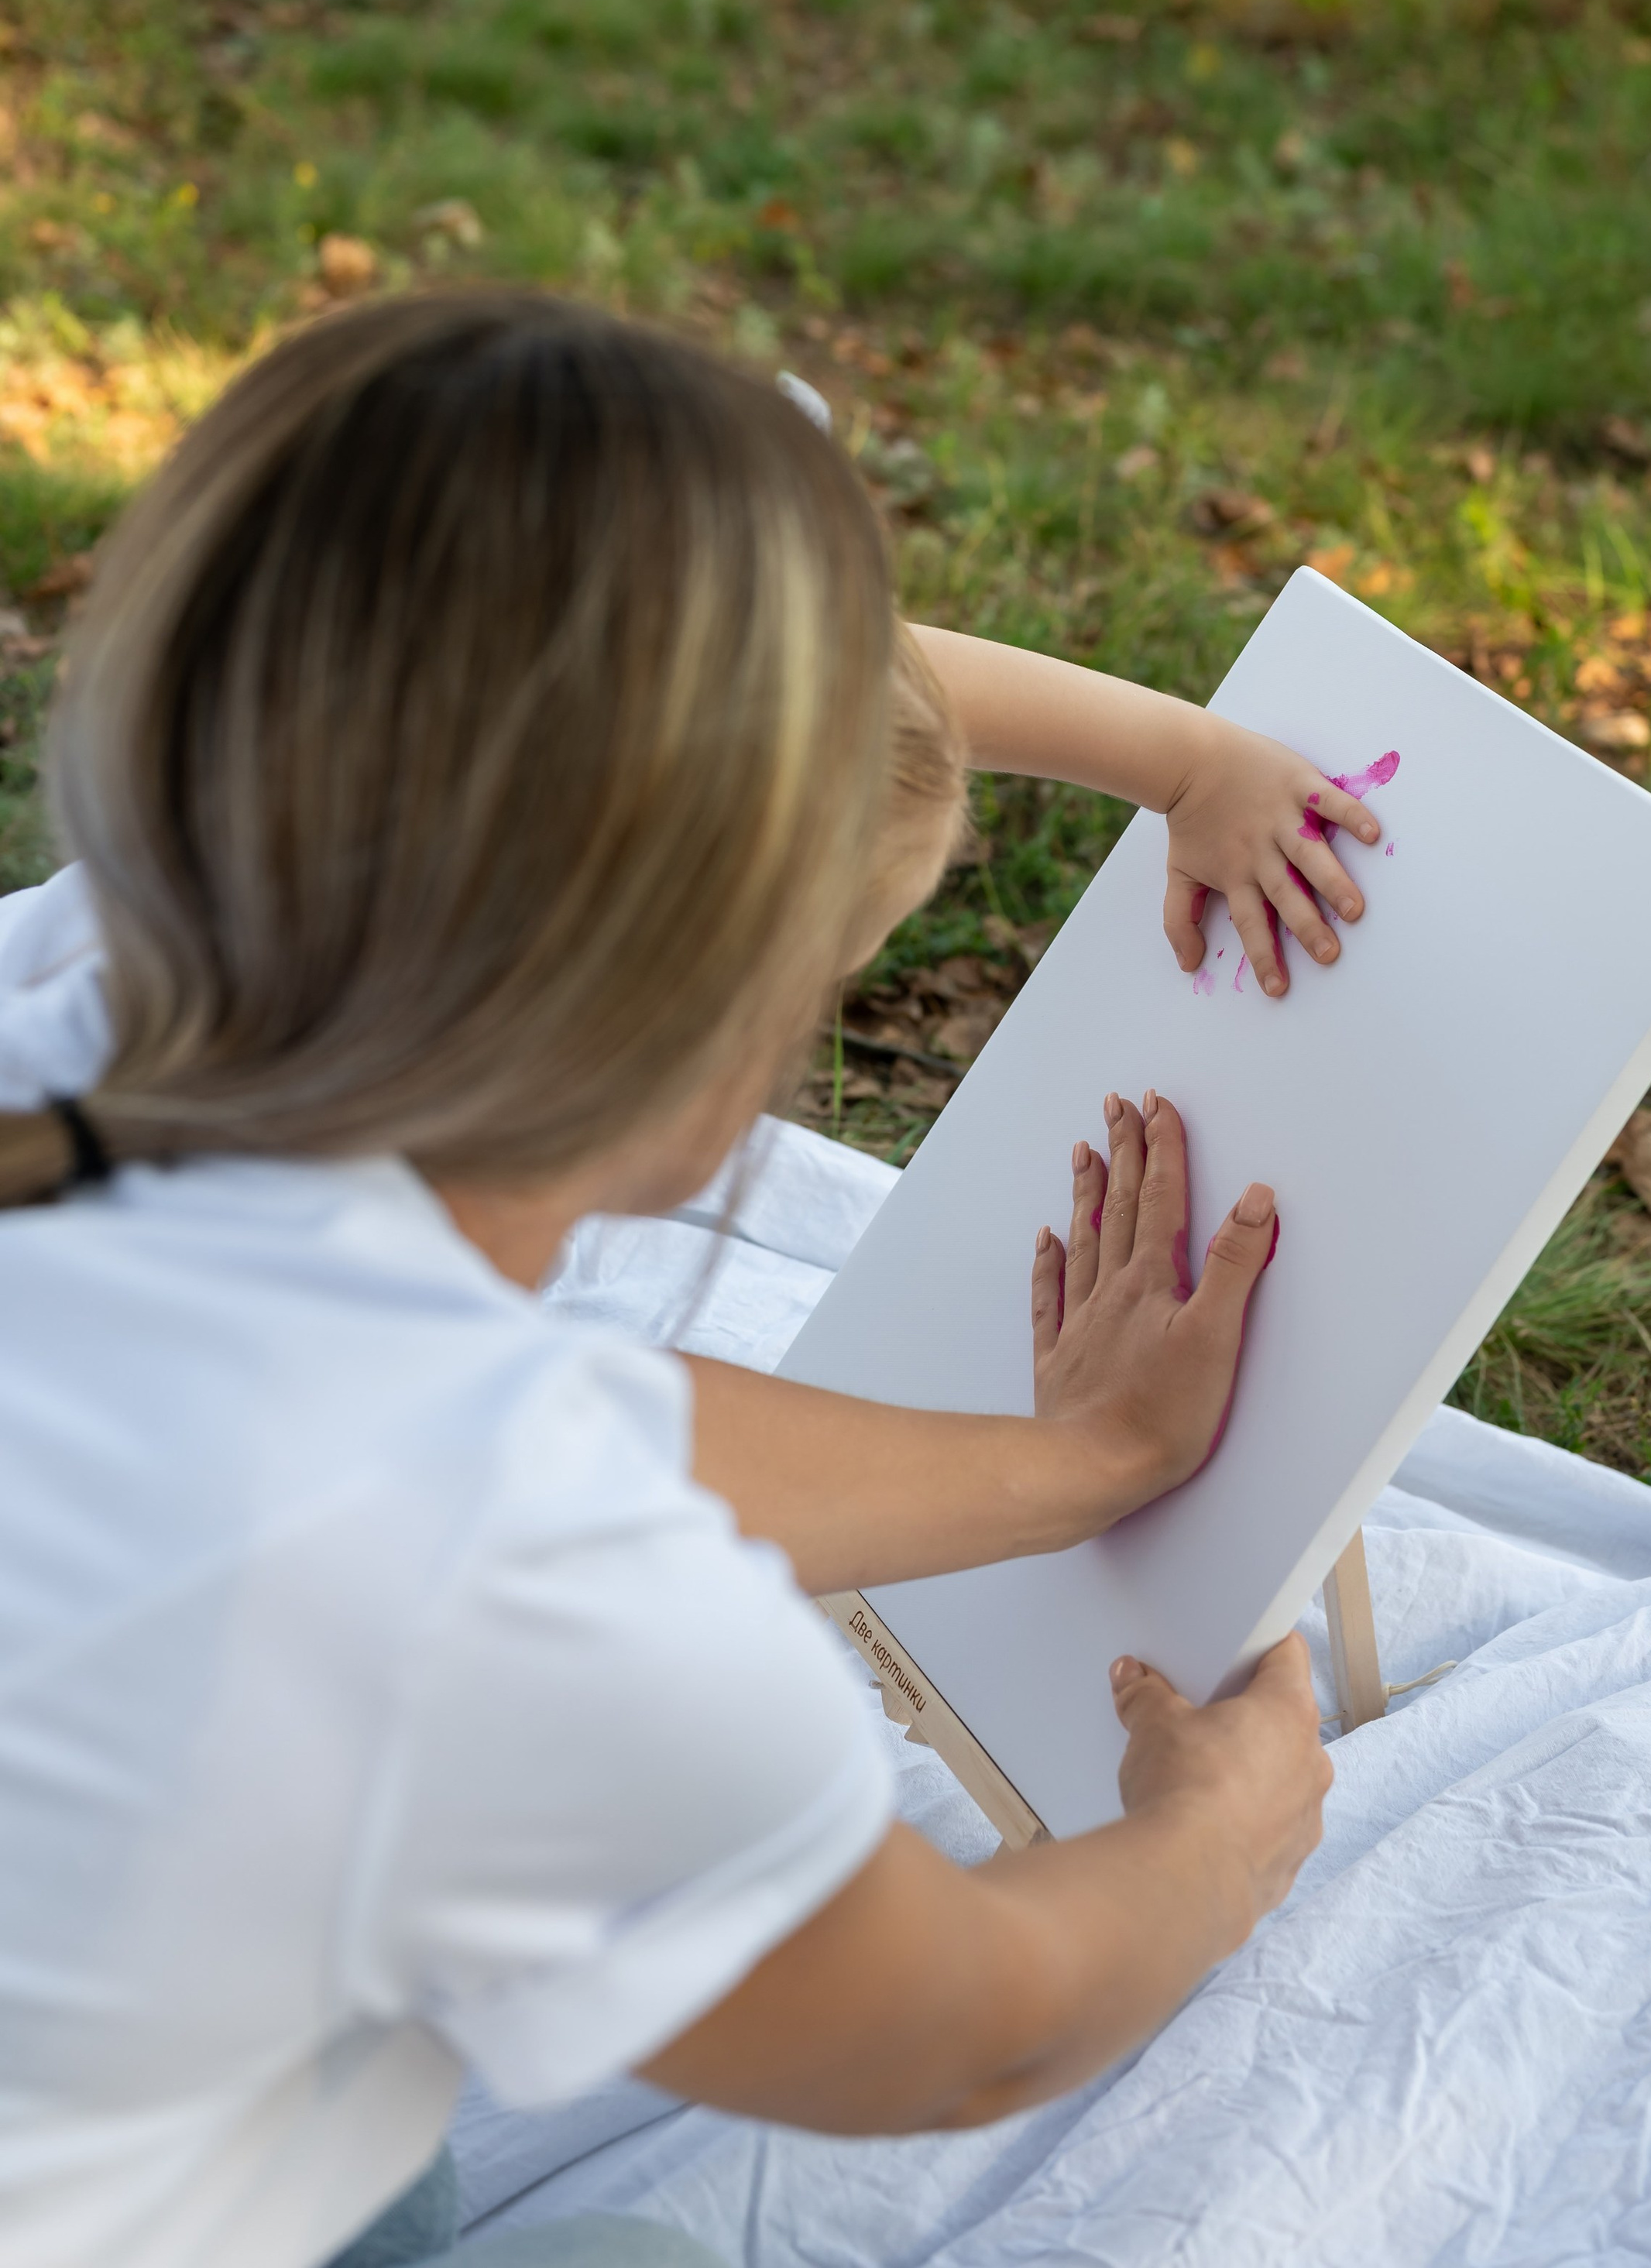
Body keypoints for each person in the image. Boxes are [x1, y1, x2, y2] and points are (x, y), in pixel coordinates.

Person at [0, 294, 1372, 2268]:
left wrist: (1084, 1461)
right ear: (696, 1030)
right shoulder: (475, 1561)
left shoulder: (104, 979)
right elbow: (970, 2025)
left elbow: (537, 1436)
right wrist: (1210, 1846)